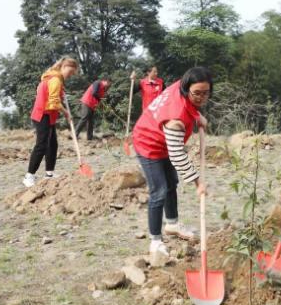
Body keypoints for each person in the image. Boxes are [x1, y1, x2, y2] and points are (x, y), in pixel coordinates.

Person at [132, 67, 211, 255]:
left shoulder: (181, 84)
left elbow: (190, 106)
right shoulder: (176, 118)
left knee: (171, 182)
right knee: (158, 191)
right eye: (196, 94)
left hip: (162, 139)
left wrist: (198, 116)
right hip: (148, 143)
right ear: (186, 89)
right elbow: (177, 156)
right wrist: (198, 182)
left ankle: (173, 224)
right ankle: (155, 241)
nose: (201, 98)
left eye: (205, 93)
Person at [23, 58, 79, 187]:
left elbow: (43, 90)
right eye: (70, 71)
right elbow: (54, 103)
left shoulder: (51, 78)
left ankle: (49, 174)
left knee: (52, 144)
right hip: (43, 114)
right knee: (42, 145)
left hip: (48, 114)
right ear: (64, 66)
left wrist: (60, 90)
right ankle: (29, 176)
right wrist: (67, 114)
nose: (70, 75)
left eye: (72, 73)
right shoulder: (55, 80)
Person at [75, 76, 113, 141]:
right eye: (110, 83)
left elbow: (101, 100)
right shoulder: (97, 83)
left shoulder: (103, 89)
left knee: (91, 121)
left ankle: (89, 137)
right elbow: (94, 93)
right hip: (87, 102)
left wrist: (109, 109)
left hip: (92, 105)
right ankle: (75, 135)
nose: (110, 85)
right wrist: (100, 101)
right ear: (107, 81)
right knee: (84, 118)